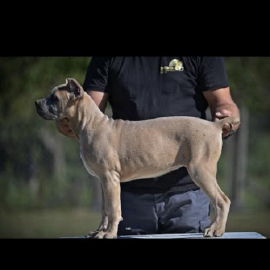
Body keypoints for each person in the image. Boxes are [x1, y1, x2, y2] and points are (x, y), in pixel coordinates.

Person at [57, 57, 240, 236]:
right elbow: (88, 111)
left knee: (201, 172)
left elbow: (223, 101)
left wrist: (227, 113)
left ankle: (220, 217)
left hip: (187, 196)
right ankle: (108, 224)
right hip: (130, 198)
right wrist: (70, 119)